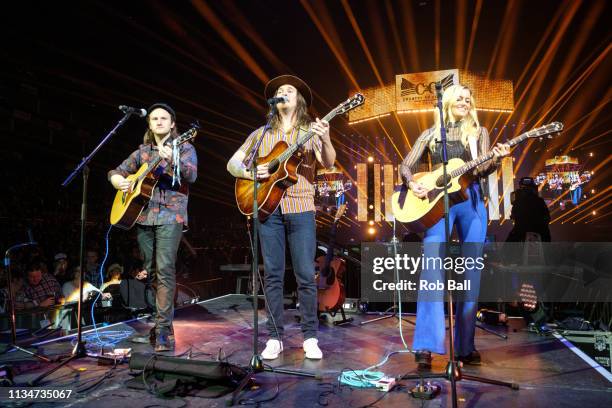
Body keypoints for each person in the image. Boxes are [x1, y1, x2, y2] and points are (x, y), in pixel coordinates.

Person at [399, 84, 510, 369]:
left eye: (468, 98)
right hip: (437, 204)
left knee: (471, 274)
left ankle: (464, 346)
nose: (465, 101)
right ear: (447, 102)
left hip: (471, 201)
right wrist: (413, 183)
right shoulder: (431, 134)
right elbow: (406, 166)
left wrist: (496, 158)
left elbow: (483, 169)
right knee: (432, 271)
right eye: (459, 97)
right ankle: (425, 345)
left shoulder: (479, 133)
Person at [227, 75, 336, 360]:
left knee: (304, 275)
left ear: (299, 100)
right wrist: (251, 173)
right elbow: (233, 163)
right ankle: (275, 336)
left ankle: (310, 337)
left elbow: (328, 162)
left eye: (290, 90)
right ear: (274, 102)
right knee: (272, 275)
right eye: (279, 91)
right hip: (267, 208)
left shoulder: (309, 131)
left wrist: (324, 138)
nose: (283, 92)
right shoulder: (260, 134)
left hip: (301, 209)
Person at [108, 102, 198, 352]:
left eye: (164, 118)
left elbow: (191, 176)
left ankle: (162, 331)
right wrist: (119, 181)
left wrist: (172, 161)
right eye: (154, 118)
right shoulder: (142, 151)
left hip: (171, 215)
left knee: (166, 270)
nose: (158, 121)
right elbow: (116, 171)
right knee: (152, 271)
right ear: (149, 124)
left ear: (172, 123)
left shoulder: (185, 146)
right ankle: (161, 326)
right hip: (144, 217)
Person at [507, 177, 551, 242]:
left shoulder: (518, 202)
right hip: (538, 233)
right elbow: (547, 218)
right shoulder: (539, 201)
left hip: (524, 232)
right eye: (524, 189)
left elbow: (514, 215)